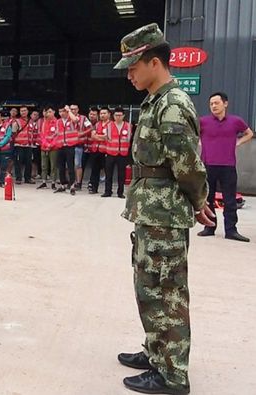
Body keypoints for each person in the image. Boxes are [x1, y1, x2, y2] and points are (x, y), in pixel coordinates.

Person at [113, 23, 214, 395]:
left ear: (154, 62)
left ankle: (172, 375)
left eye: (133, 66)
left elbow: (187, 166)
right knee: (149, 288)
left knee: (166, 292)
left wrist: (200, 202)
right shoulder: (156, 100)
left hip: (165, 218)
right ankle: (156, 351)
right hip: (151, 214)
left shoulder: (172, 105)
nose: (129, 74)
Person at [197, 92, 254, 242]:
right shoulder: (203, 121)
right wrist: (201, 144)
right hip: (208, 165)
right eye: (211, 104)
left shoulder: (236, 121)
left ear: (225, 104)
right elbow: (192, 134)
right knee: (208, 199)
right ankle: (209, 227)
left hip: (228, 166)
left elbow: (249, 133)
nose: (214, 106)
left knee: (229, 200)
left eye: (216, 103)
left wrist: (238, 143)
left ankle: (231, 230)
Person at [102, 108, 132, 198]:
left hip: (122, 154)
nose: (118, 117)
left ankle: (120, 192)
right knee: (108, 174)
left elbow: (129, 139)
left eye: (120, 115)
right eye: (116, 115)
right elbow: (106, 138)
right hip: (110, 153)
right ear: (113, 116)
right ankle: (108, 191)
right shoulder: (109, 125)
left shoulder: (128, 126)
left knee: (121, 175)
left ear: (123, 116)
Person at [54, 105, 80, 195]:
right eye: (60, 111)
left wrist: (69, 111)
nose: (61, 113)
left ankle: (72, 185)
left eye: (63, 111)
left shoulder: (72, 119)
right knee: (61, 167)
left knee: (70, 166)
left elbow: (76, 120)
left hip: (70, 145)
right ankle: (63, 184)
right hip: (61, 146)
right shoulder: (58, 121)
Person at [70, 104, 94, 189]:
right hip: (68, 144)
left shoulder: (83, 118)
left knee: (77, 164)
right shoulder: (67, 118)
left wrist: (82, 134)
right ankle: (70, 182)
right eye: (71, 109)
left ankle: (78, 183)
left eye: (75, 109)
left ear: (78, 109)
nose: (73, 111)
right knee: (68, 165)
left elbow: (91, 128)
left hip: (78, 145)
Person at [87, 107, 110, 194]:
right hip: (95, 149)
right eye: (101, 114)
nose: (102, 115)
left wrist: (98, 136)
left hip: (105, 151)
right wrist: (101, 137)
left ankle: (107, 190)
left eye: (104, 113)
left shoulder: (111, 125)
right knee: (94, 170)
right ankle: (93, 187)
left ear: (108, 114)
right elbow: (93, 136)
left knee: (107, 170)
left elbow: (108, 137)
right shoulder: (97, 124)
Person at [36, 105, 59, 190]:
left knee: (53, 166)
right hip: (44, 147)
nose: (48, 114)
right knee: (43, 165)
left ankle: (53, 183)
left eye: (50, 112)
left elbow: (57, 136)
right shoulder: (43, 122)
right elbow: (42, 135)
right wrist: (46, 144)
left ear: (54, 112)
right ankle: (44, 182)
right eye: (47, 112)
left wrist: (51, 145)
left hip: (54, 148)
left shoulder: (57, 122)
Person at [13, 107, 34, 184]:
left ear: (28, 111)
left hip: (29, 145)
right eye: (21, 111)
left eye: (25, 110)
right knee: (18, 162)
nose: (23, 112)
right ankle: (18, 178)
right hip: (19, 145)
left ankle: (27, 178)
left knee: (29, 162)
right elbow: (13, 133)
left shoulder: (31, 121)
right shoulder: (17, 121)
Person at [29, 109, 42, 179]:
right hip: (29, 144)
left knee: (38, 159)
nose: (35, 116)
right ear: (31, 115)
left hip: (37, 144)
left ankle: (39, 173)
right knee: (31, 160)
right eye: (34, 114)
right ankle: (32, 173)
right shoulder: (27, 122)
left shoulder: (40, 123)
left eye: (37, 115)